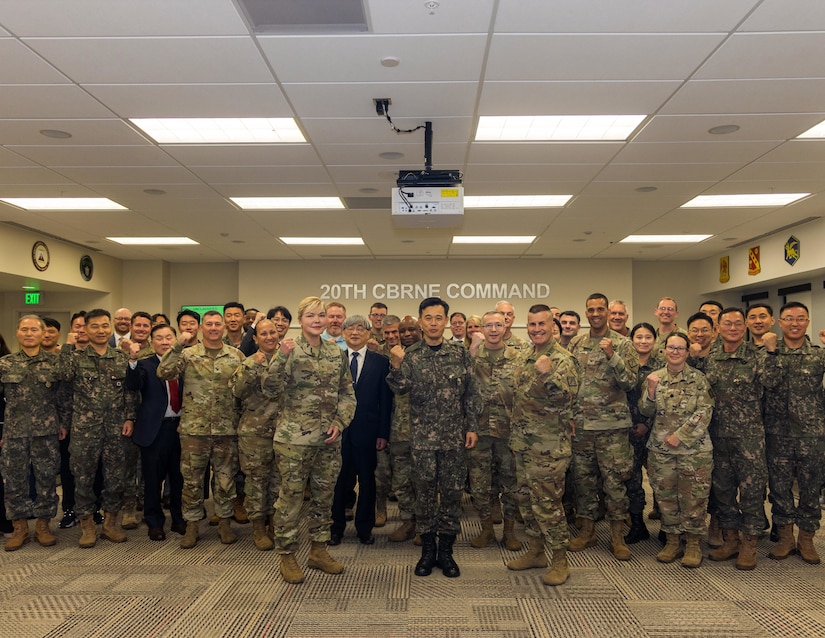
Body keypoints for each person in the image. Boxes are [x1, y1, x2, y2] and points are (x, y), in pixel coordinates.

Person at [261, 296, 356, 584]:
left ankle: (318, 551)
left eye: (322, 315)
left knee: (324, 499)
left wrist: (340, 423)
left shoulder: (335, 352)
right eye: (311, 315)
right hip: (294, 441)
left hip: (328, 440)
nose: (317, 319)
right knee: (289, 500)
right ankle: (287, 555)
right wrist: (280, 357)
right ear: (301, 320)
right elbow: (269, 388)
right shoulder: (288, 349)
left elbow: (347, 394)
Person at [387, 297, 480, 578]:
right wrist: (395, 365)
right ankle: (428, 551)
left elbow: (471, 393)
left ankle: (447, 551)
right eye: (428, 318)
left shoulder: (459, 353)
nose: (434, 323)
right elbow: (399, 389)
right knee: (425, 494)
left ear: (446, 321)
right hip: (423, 441)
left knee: (452, 494)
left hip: (453, 439)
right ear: (421, 321)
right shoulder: (411, 355)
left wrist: (472, 427)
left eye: (439, 318)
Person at [157, 310, 245, 549]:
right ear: (201, 328)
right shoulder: (187, 355)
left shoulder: (236, 355)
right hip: (194, 430)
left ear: (224, 328)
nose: (214, 328)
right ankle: (193, 524)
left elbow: (244, 390)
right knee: (192, 480)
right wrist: (177, 345)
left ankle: (225, 523)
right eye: (209, 324)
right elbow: (163, 372)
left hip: (226, 429)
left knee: (226, 480)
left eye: (218, 324)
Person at [506, 304, 579, 586]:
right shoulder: (526, 356)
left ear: (553, 326)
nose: (536, 329)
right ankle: (536, 552)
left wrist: (548, 375)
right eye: (532, 324)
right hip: (523, 444)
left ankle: (560, 560)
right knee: (527, 502)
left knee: (548, 505)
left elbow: (567, 401)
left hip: (549, 448)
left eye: (542, 324)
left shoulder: (563, 360)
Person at [703, 307, 781, 570]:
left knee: (752, 493)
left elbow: (772, 382)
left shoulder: (757, 356)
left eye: (738, 323)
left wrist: (771, 352)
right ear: (719, 327)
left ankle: (749, 545)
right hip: (717, 436)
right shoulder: (710, 356)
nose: (733, 327)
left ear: (746, 325)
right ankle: (731, 540)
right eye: (727, 323)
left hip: (748, 440)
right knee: (723, 492)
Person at [567, 293, 638, 561]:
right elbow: (570, 383)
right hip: (582, 427)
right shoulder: (576, 343)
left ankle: (617, 536)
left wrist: (612, 356)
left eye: (600, 309)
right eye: (590, 309)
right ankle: (587, 532)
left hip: (612, 429)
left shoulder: (622, 344)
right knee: (583, 481)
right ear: (586, 313)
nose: (595, 313)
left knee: (614, 483)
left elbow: (631, 382)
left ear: (609, 311)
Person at [60, 308, 138, 548]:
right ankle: (87, 526)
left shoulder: (120, 357)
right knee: (83, 478)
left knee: (116, 478)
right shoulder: (75, 358)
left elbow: (130, 392)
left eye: (105, 326)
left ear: (110, 327)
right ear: (84, 329)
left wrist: (130, 418)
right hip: (85, 430)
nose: (101, 330)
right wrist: (67, 346)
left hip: (116, 429)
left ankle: (110, 524)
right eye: (95, 326)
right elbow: (62, 378)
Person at [641, 332, 714, 568]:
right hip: (661, 451)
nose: (675, 351)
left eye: (680, 348)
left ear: (686, 352)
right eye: (671, 347)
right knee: (665, 497)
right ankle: (672, 540)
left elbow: (705, 411)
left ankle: (693, 544)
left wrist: (680, 436)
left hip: (694, 450)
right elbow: (644, 410)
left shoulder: (698, 379)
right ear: (663, 350)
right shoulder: (654, 377)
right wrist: (651, 392)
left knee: (694, 497)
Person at [764, 302, 825, 564]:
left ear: (808, 322)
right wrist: (771, 353)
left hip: (811, 434)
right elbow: (767, 382)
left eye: (801, 318)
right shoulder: (770, 352)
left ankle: (807, 539)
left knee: (811, 488)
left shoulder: (819, 355)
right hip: (778, 434)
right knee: (779, 488)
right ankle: (786, 538)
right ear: (779, 322)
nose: (795, 323)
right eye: (789, 318)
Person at [0, 316, 68, 550]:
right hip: (13, 433)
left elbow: (64, 398)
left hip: (46, 432)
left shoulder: (55, 363)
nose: (29, 333)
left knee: (47, 479)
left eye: (34, 330)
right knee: (14, 481)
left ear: (43, 334)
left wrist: (64, 423)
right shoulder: (5, 364)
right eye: (24, 329)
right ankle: (20, 528)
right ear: (17, 333)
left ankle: (43, 525)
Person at [330, 315, 392, 545]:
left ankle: (364, 528)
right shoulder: (335, 359)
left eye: (360, 328)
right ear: (343, 333)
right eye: (350, 328)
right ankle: (335, 528)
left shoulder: (380, 362)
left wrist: (383, 433)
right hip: (339, 432)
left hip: (368, 433)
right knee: (338, 482)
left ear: (368, 333)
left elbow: (385, 402)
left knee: (368, 482)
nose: (354, 333)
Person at [125, 323, 186, 541]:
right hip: (155, 430)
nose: (164, 342)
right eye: (159, 338)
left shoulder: (184, 362)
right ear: (152, 343)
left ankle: (179, 519)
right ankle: (154, 522)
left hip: (181, 429)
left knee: (179, 478)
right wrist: (132, 361)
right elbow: (132, 384)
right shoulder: (144, 364)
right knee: (152, 479)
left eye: (169, 337)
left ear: (175, 340)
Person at [468, 310, 522, 551]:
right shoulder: (472, 356)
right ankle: (486, 529)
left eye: (497, 325)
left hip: (508, 431)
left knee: (510, 482)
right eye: (488, 325)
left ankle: (509, 531)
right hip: (478, 431)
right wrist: (471, 349)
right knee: (480, 484)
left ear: (505, 327)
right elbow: (460, 383)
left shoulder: (517, 357)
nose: (492, 329)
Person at [230, 319, 283, 551]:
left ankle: (275, 523)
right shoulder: (248, 362)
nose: (270, 337)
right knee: (256, 482)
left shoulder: (289, 360)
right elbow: (237, 391)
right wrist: (252, 367)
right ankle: (258, 527)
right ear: (255, 338)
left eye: (273, 332)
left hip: (284, 431)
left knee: (279, 481)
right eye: (264, 333)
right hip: (255, 432)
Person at [623, 322, 665, 544]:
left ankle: (668, 528)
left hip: (654, 431)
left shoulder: (663, 366)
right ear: (632, 340)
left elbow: (665, 401)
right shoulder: (625, 365)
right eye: (638, 337)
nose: (643, 341)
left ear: (654, 340)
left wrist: (646, 423)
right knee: (632, 480)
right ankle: (637, 524)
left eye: (648, 337)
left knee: (660, 480)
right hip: (628, 431)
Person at [387, 316, 422, 543]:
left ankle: (424, 525)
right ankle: (408, 521)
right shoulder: (393, 356)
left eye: (412, 329)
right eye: (403, 330)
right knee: (400, 481)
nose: (407, 334)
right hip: (399, 429)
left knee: (423, 480)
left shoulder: (428, 355)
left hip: (424, 431)